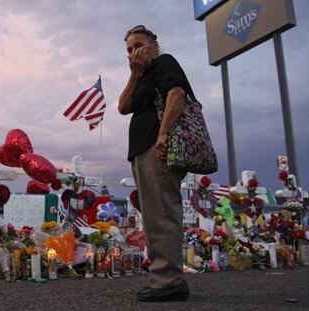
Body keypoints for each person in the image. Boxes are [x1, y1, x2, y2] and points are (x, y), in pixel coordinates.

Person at [118, 25, 196, 302]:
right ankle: (162, 278)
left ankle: (170, 280)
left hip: (157, 146)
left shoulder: (165, 62)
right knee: (152, 215)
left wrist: (163, 133)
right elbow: (123, 106)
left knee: (163, 211)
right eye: (129, 49)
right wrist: (134, 73)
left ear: (154, 44)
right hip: (140, 150)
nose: (133, 51)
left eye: (139, 45)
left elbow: (177, 95)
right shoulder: (141, 76)